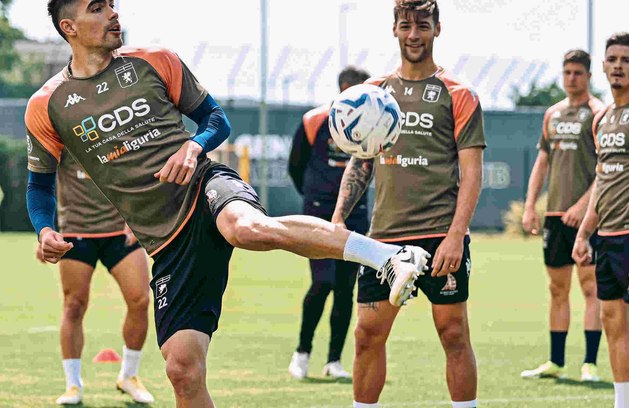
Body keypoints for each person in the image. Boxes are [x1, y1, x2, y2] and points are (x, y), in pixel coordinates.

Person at [27, 1, 429, 406]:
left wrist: (192, 147)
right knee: (182, 370)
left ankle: (389, 257)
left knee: (247, 228)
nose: (113, 13)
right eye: (97, 9)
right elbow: (38, 185)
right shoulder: (48, 105)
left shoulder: (155, 61)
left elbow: (216, 120)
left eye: (112, 5)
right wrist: (44, 229)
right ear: (69, 26)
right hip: (166, 243)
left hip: (205, 186)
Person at [332, 1, 485, 407]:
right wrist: (337, 218)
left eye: (422, 25)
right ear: (395, 29)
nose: (414, 34)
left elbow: (472, 174)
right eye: (406, 25)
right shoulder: (376, 93)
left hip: (440, 234)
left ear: (437, 29)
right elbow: (360, 162)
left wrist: (456, 237)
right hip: (382, 240)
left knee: (453, 333)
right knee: (366, 336)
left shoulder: (459, 94)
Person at [34, 150, 154, 405]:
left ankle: (129, 376)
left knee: (140, 299)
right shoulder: (60, 126)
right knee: (74, 306)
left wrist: (138, 217)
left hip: (121, 232)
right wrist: (43, 231)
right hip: (76, 232)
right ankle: (72, 385)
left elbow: (141, 175)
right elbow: (40, 183)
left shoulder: (118, 128)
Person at [573, 32, 629, 408]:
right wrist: (584, 233)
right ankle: (625, 403)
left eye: (625, 60)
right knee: (611, 319)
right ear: (603, 66)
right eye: (612, 59)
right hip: (606, 237)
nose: (618, 66)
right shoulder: (600, 118)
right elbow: (602, 180)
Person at [520, 50, 604, 382]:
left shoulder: (598, 113)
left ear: (588, 76)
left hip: (588, 218)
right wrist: (530, 206)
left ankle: (590, 364)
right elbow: (542, 162)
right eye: (567, 72)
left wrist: (583, 206)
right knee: (557, 289)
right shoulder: (552, 114)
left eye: (578, 73)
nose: (572, 78)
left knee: (590, 288)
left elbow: (604, 168)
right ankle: (555, 362)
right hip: (555, 216)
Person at [287, 66, 371, 380]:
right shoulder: (315, 120)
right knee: (323, 282)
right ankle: (302, 353)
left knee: (346, 289)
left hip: (356, 215)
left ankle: (334, 361)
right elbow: (295, 166)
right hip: (318, 213)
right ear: (346, 88)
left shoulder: (370, 123)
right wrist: (315, 198)